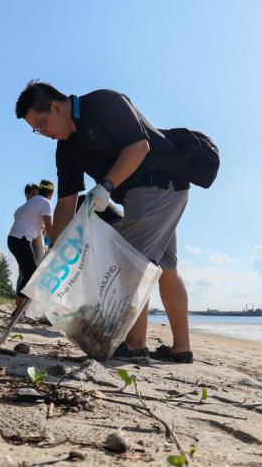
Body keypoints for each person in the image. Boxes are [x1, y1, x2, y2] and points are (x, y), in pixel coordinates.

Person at [15, 81, 192, 363]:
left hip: (158, 182)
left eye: (42, 124)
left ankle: (135, 345)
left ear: (56, 106)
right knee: (166, 267)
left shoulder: (103, 103)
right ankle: (181, 349)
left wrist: (106, 186)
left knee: (131, 263)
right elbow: (66, 202)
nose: (43, 133)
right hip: (150, 194)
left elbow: (140, 146)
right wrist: (54, 253)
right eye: (37, 130)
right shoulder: (66, 148)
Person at [7, 179, 54, 314]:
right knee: (32, 276)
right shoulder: (46, 203)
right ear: (51, 194)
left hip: (13, 239)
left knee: (28, 274)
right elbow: (49, 229)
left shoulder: (28, 205)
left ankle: (19, 307)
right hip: (21, 240)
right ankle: (19, 308)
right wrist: (56, 243)